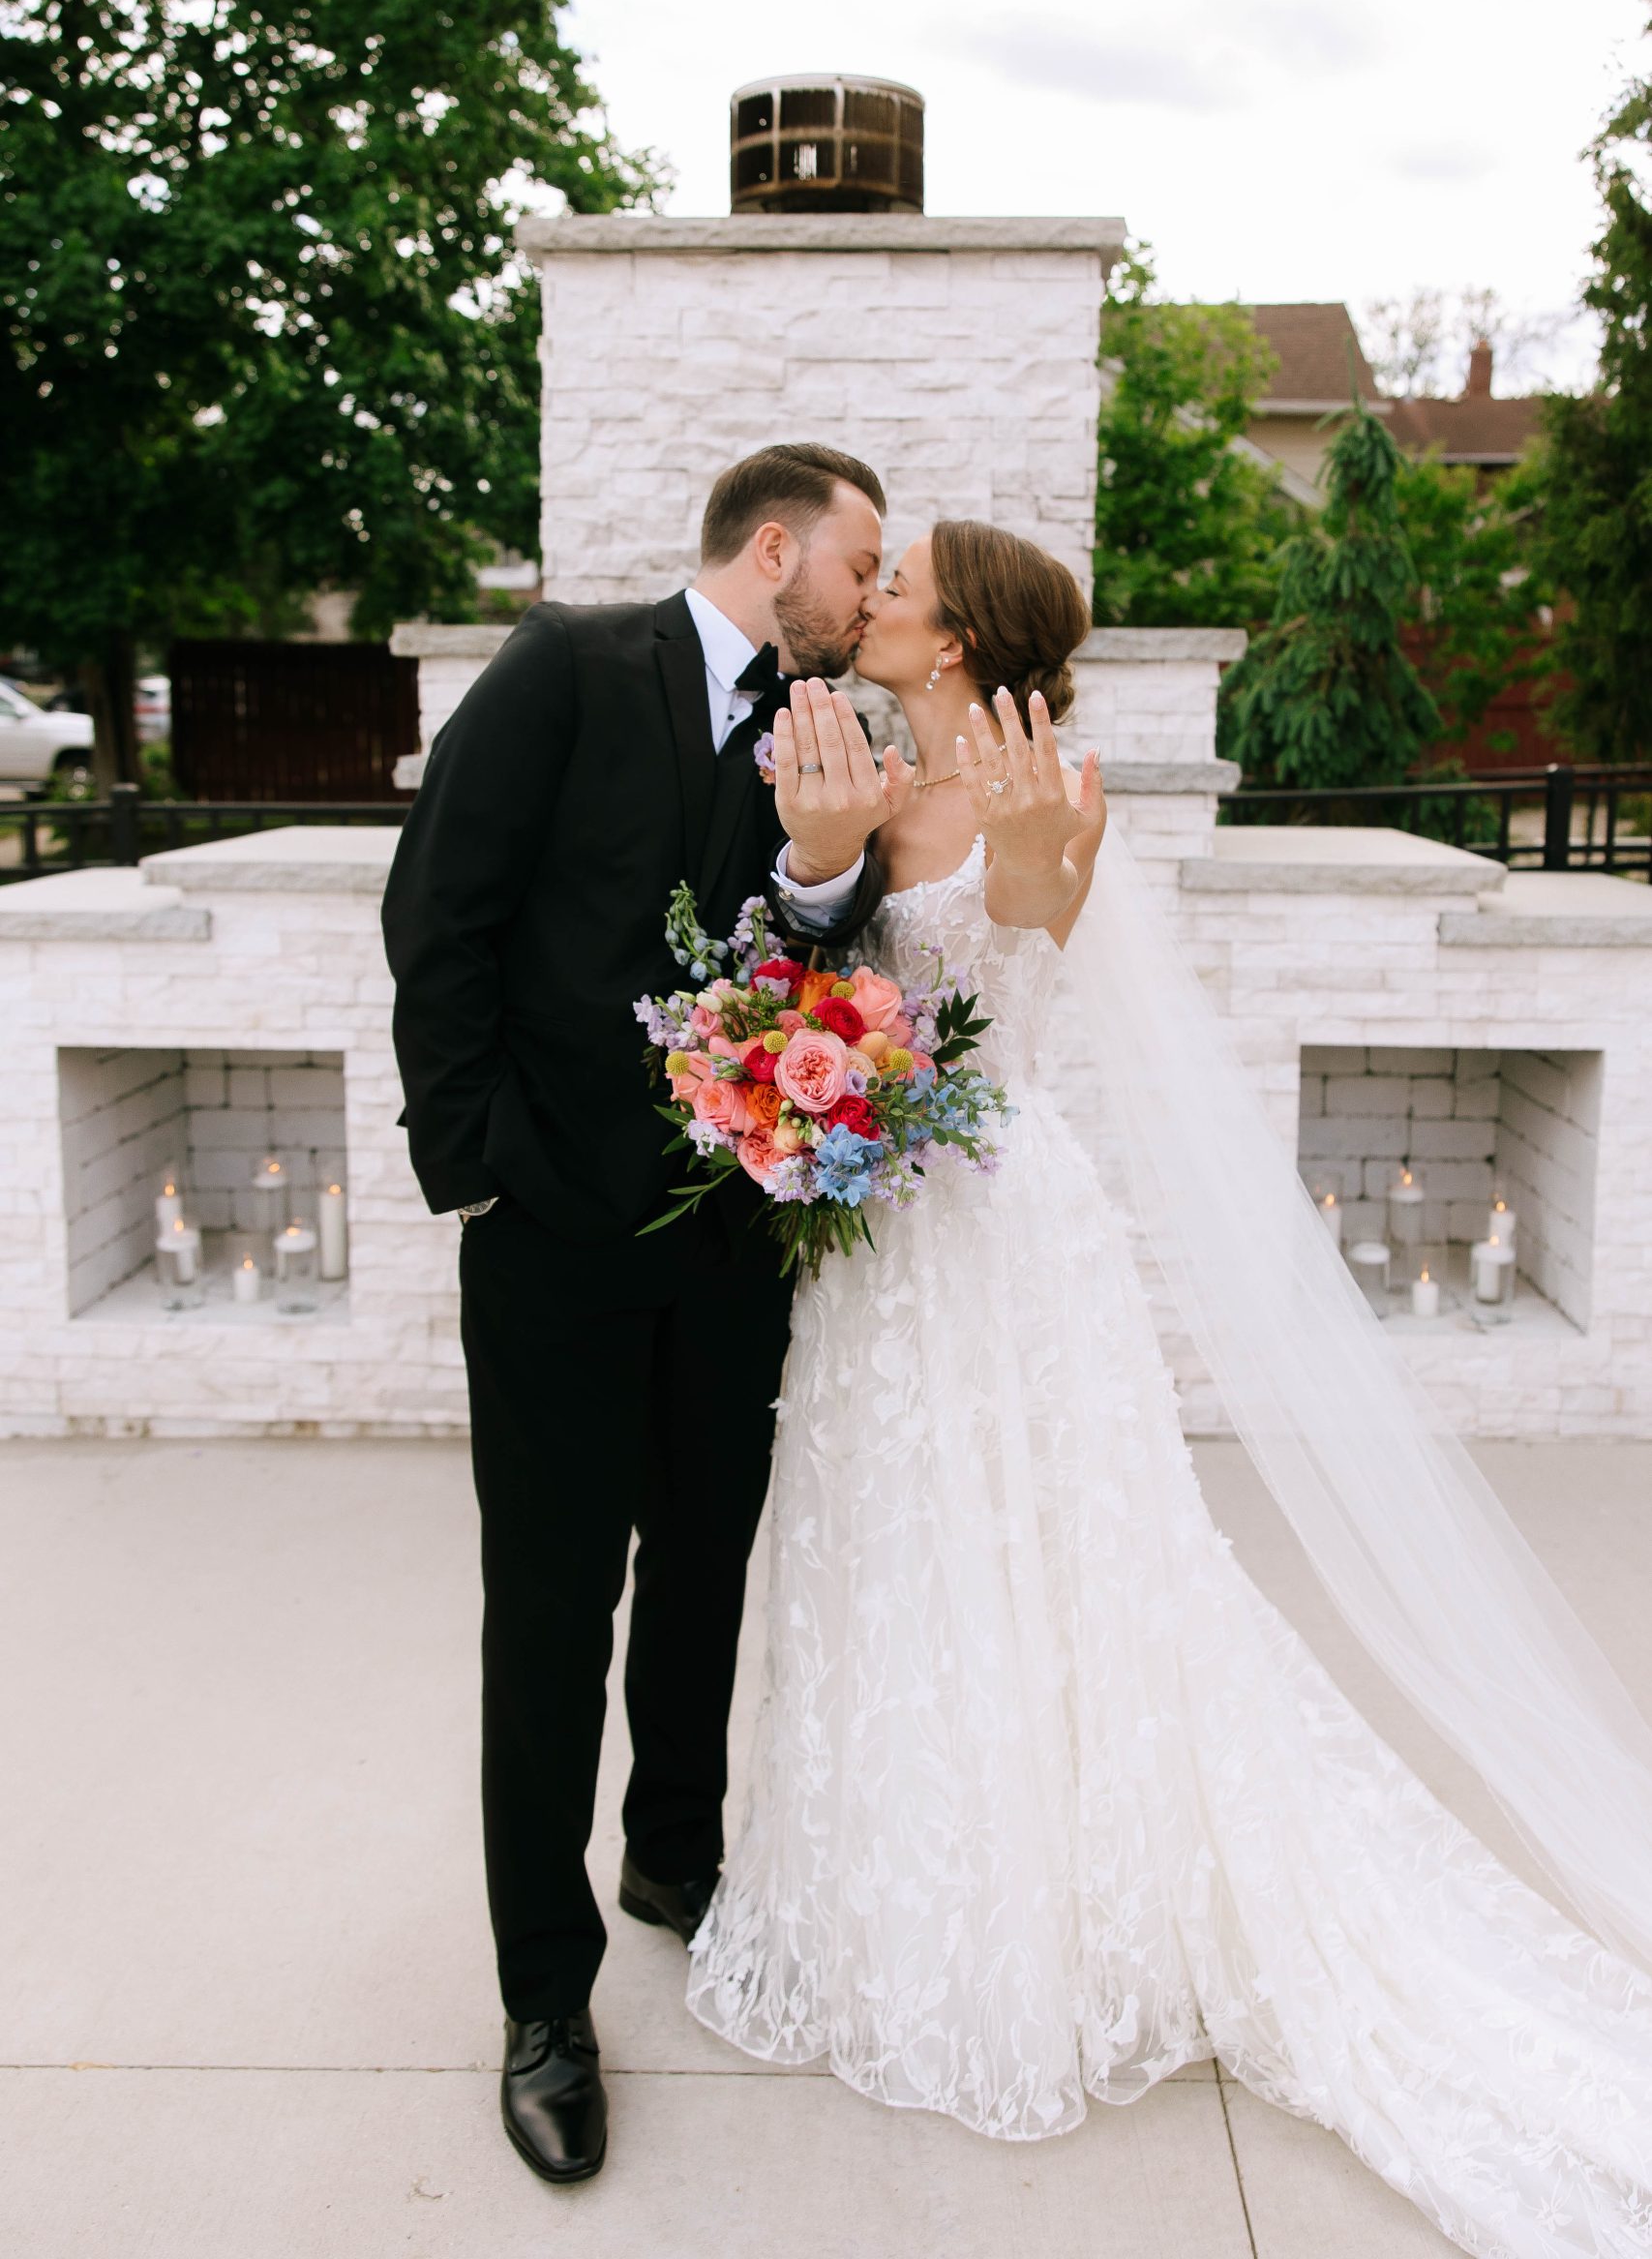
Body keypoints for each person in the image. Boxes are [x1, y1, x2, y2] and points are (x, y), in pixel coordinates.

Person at [686, 521, 1652, 2258]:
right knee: (894, 1554)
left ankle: (1057, 1926)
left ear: (966, 634)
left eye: (904, 582)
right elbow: (833, 979)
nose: (877, 592)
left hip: (992, 1232)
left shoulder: (1050, 791)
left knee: (1050, 1567)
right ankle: (902, 1905)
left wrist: (1009, 867)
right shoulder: (869, 768)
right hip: (872, 1244)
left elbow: (1009, 969)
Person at [382, 443, 904, 2185]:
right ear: (778, 551)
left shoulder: (830, 729)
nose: (868, 592)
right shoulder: (562, 666)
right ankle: (545, 2001)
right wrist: (475, 1168)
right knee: (547, 1618)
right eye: (860, 562)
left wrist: (831, 864)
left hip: (733, 1242)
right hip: (545, 1237)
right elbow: (436, 913)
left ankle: (676, 1853)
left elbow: (828, 945)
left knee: (705, 1560)